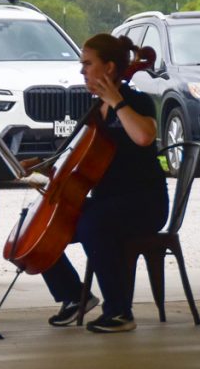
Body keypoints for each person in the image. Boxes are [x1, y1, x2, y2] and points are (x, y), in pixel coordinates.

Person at [37, 33, 168, 333]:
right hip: (108, 202)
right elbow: (79, 159)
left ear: (109, 68)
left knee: (93, 223)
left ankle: (120, 312)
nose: (82, 71)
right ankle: (73, 296)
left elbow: (145, 136)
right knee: (43, 221)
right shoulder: (96, 110)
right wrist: (46, 170)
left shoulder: (136, 101)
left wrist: (117, 101)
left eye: (87, 64)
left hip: (144, 203)